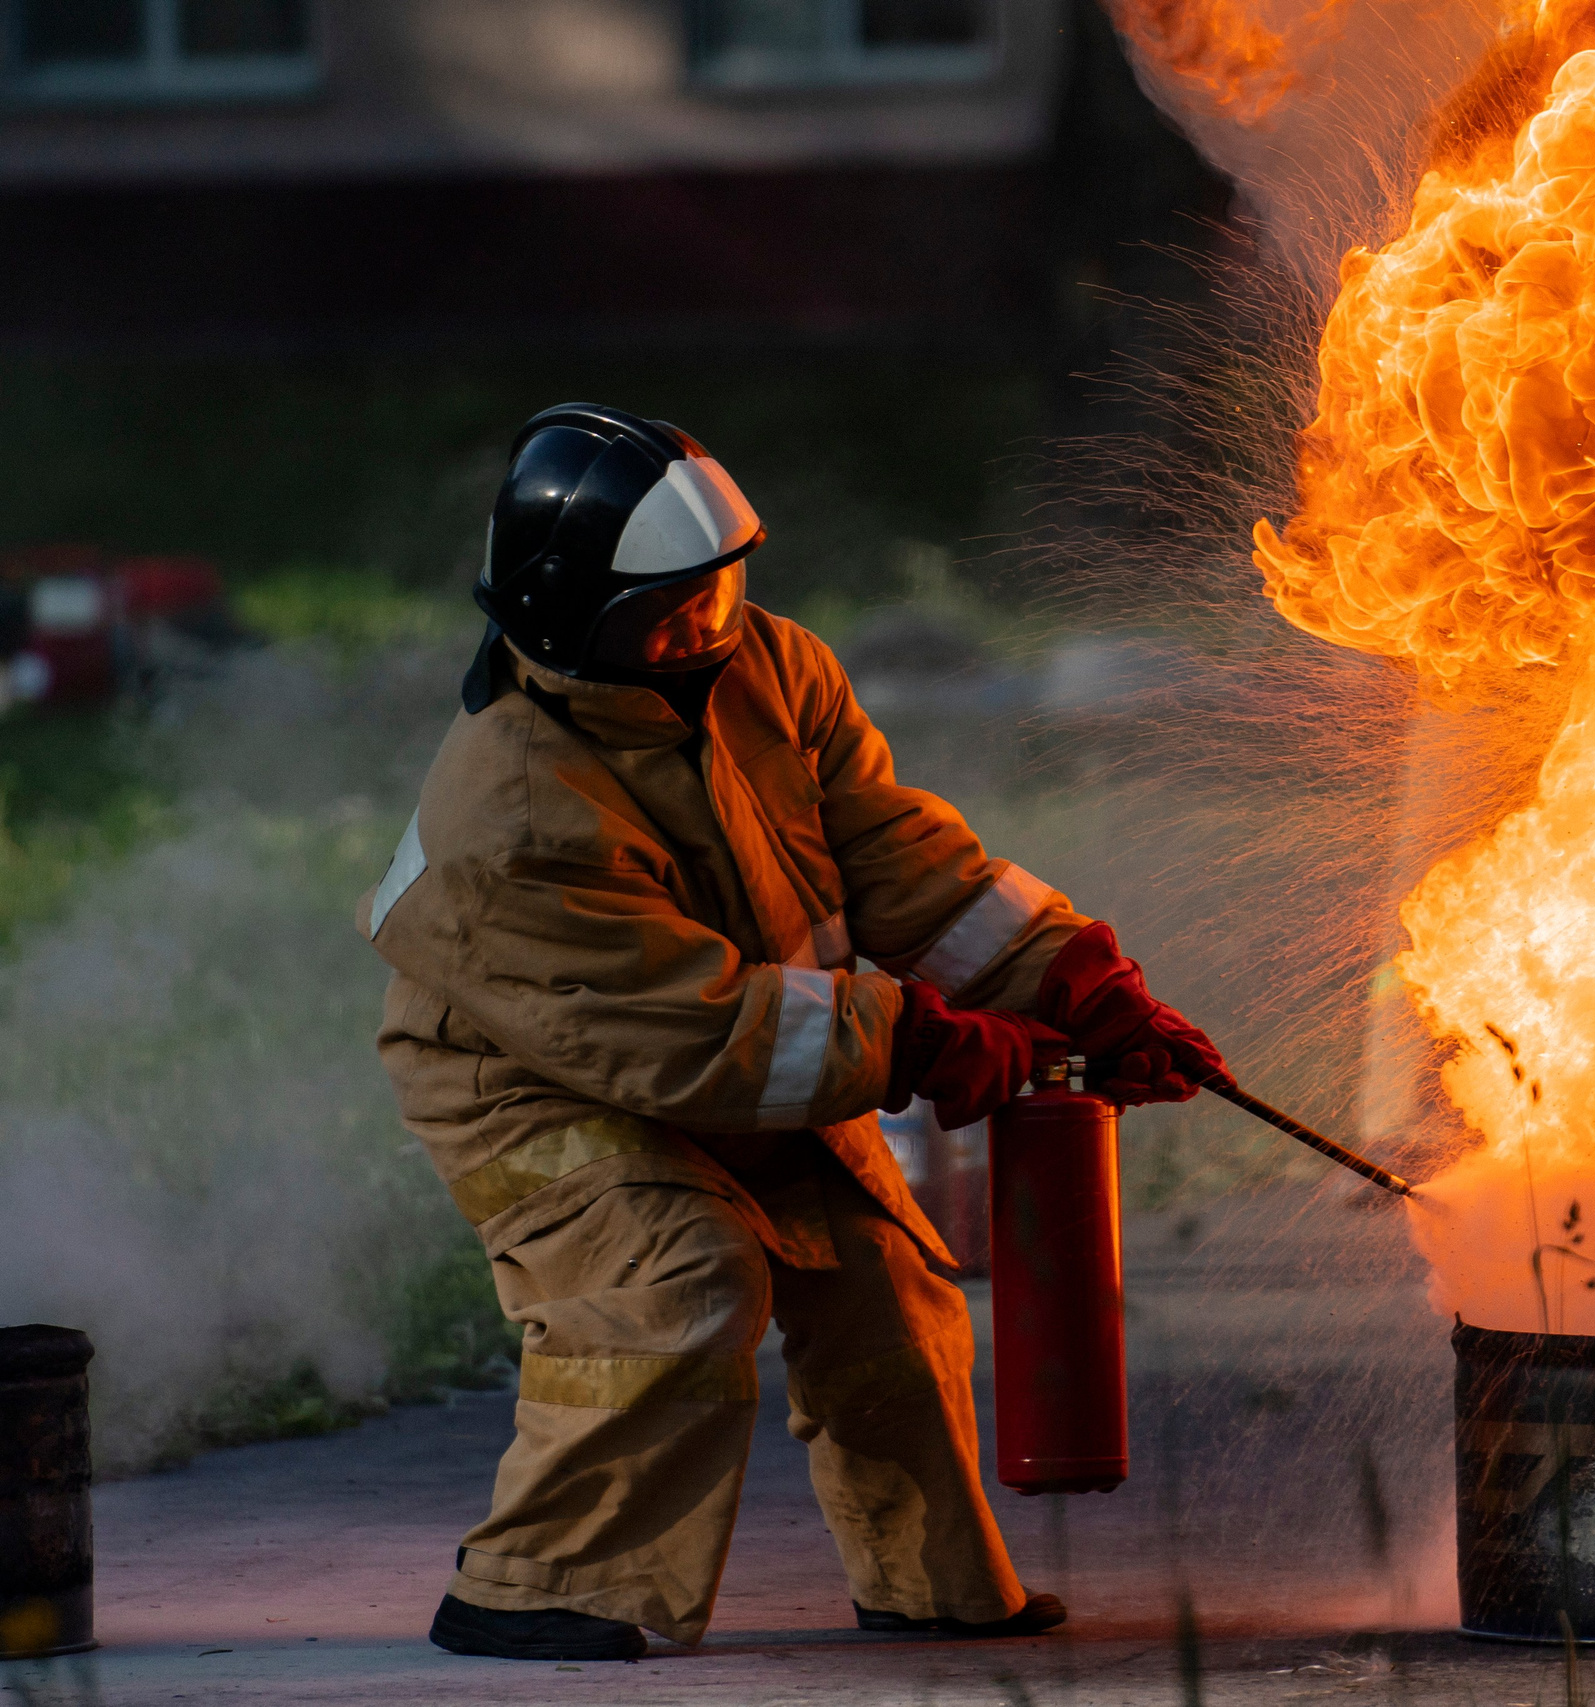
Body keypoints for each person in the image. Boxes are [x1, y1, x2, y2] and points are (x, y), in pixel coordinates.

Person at [364, 403, 1224, 1662]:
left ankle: (931, 1586)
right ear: (569, 617)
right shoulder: (517, 805)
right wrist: (924, 1044)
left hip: (744, 1036)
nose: (710, 630)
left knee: (887, 1281)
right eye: (671, 612)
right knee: (678, 1276)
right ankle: (537, 1581)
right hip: (536, 1085)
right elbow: (683, 1031)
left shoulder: (767, 666)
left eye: (718, 594)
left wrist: (1072, 979)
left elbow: (893, 859)